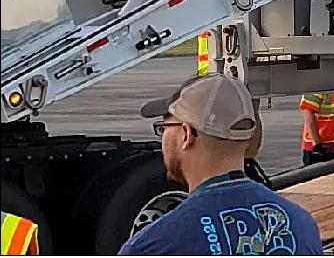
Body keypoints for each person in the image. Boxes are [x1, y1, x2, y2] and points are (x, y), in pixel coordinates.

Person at [120, 73, 323, 255]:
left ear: (186, 134)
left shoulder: (153, 247)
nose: (162, 136)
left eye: (164, 127)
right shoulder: (302, 227)